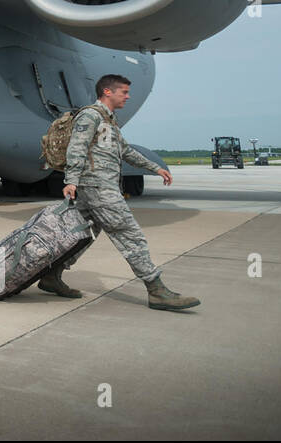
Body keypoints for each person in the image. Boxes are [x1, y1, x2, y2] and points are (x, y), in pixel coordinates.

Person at [58, 74, 199, 311]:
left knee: (81, 237)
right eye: (124, 91)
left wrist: (155, 168)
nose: (128, 96)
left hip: (102, 187)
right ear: (107, 92)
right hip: (98, 188)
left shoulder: (108, 121)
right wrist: (71, 180)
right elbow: (77, 147)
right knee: (130, 234)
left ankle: (52, 275)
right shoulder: (90, 115)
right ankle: (156, 291)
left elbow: (126, 151)